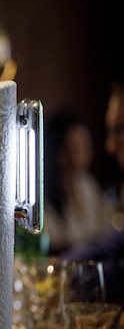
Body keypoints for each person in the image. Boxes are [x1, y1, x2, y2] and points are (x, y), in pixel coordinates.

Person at [59, 78, 124, 304]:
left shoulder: (88, 186)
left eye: (120, 130)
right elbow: (112, 241)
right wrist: (60, 267)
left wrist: (73, 276)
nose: (110, 146)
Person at [43, 112, 110, 254]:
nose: (84, 156)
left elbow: (104, 232)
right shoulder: (40, 194)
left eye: (86, 147)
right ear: (58, 152)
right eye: (76, 149)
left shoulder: (87, 184)